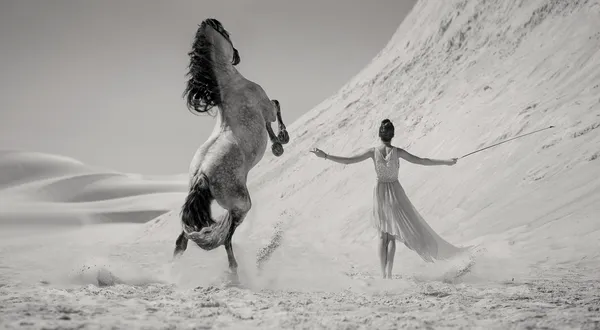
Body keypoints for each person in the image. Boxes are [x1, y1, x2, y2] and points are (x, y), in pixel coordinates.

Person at [310, 119, 469, 279]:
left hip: (380, 193)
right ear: (392, 135)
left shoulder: (373, 151)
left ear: (380, 135)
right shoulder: (398, 152)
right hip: (395, 192)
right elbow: (422, 160)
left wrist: (324, 155)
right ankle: (389, 274)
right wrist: (446, 162)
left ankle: (383, 275)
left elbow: (348, 160)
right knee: (391, 236)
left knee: (382, 235)